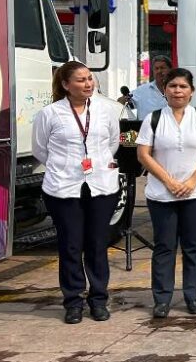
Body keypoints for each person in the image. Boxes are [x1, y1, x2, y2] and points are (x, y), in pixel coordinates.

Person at [32, 61, 121, 324]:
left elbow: (113, 143)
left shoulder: (105, 110)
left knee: (97, 244)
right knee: (70, 245)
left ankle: (98, 299)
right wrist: (64, 166)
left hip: (101, 186)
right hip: (63, 187)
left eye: (90, 78)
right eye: (81, 80)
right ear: (66, 85)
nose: (88, 84)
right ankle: (73, 301)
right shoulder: (50, 113)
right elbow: (40, 149)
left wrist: (96, 165)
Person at [135, 68, 196, 318]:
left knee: (193, 246)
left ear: (191, 91)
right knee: (164, 246)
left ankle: (192, 297)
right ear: (165, 90)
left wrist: (193, 180)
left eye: (183, 86)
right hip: (162, 194)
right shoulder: (153, 118)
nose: (177, 91)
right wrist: (169, 181)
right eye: (172, 86)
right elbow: (143, 154)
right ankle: (162, 299)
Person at [125, 56, 172, 121]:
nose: (159, 71)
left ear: (170, 70)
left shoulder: (177, 89)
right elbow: (124, 103)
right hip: (147, 130)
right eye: (156, 68)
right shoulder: (142, 90)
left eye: (162, 68)